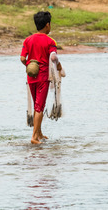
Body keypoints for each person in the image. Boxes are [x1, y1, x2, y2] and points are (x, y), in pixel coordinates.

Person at [20, 11, 62, 144]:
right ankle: (33, 137)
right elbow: (53, 57)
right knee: (39, 107)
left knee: (37, 105)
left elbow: (22, 58)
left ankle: (39, 133)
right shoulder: (50, 41)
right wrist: (59, 66)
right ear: (47, 25)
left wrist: (30, 65)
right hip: (43, 77)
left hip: (31, 77)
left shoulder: (28, 40)